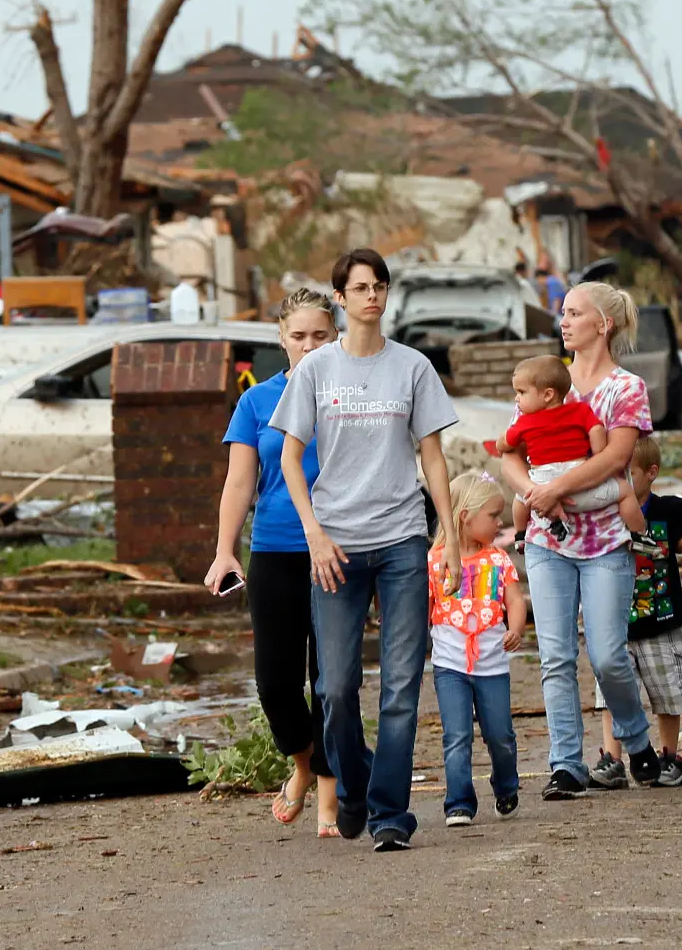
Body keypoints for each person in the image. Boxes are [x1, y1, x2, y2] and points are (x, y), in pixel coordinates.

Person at [272, 248, 462, 852]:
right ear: (341, 299)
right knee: (334, 687)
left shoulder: (412, 367)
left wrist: (449, 535)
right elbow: (289, 460)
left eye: (380, 286)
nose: (373, 296)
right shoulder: (316, 370)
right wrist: (314, 533)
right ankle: (351, 787)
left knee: (402, 685)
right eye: (361, 287)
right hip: (336, 546)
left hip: (403, 539)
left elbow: (432, 456)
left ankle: (388, 814)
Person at [499, 281, 661, 799]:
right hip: (548, 542)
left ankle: (635, 739)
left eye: (573, 313)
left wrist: (556, 489)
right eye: (562, 313)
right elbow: (509, 452)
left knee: (609, 655)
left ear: (603, 324)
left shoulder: (625, 388)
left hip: (607, 540)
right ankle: (566, 764)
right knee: (555, 656)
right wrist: (531, 492)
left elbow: (616, 459)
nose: (563, 321)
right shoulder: (542, 381)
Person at [205, 288, 341, 838]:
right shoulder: (257, 401)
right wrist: (224, 550)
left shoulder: (347, 398)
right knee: (275, 684)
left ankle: (329, 797)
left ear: (336, 337)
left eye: (321, 336)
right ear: (280, 339)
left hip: (337, 550)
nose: (309, 347)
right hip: (274, 552)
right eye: (298, 336)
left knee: (331, 681)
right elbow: (239, 482)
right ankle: (304, 763)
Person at [588, 436, 682, 790]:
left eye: (628, 473)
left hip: (663, 622)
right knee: (612, 694)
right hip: (616, 622)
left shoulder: (668, 509)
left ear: (651, 473)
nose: (619, 480)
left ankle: (669, 758)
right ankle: (613, 759)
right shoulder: (605, 511)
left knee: (666, 694)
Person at [428, 471, 527, 827]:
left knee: (500, 734)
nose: (499, 521)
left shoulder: (498, 560)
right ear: (464, 516)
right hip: (449, 666)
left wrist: (515, 627)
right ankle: (458, 801)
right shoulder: (435, 562)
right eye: (493, 515)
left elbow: (515, 600)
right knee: (457, 735)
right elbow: (423, 607)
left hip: (492, 665)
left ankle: (506, 785)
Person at [496, 354, 638, 541]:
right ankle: (639, 534)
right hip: (578, 485)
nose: (516, 398)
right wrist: (598, 452)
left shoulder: (525, 422)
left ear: (547, 394)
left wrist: (504, 441)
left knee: (520, 499)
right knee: (625, 490)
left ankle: (521, 535)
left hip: (541, 486)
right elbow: (596, 430)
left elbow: (503, 445)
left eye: (521, 392)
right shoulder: (580, 410)